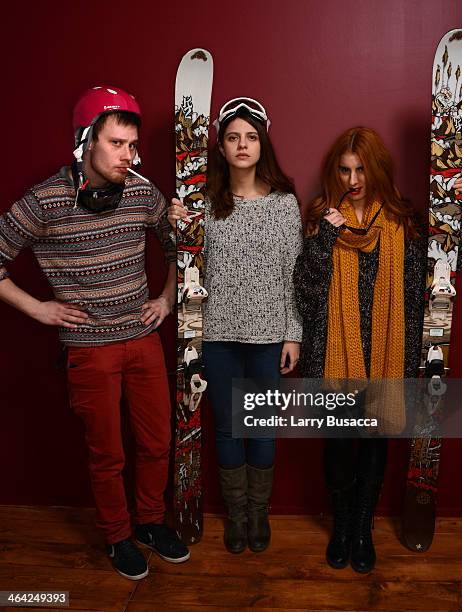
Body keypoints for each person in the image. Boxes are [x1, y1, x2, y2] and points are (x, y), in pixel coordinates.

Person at [0, 86, 190, 580]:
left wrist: (167, 299)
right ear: (85, 142)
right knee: (108, 454)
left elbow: (177, 248)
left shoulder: (144, 191)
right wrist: (38, 309)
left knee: (156, 443)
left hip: (143, 339)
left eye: (132, 145)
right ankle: (118, 536)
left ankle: (149, 521)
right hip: (89, 351)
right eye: (116, 144)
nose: (127, 155)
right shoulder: (44, 201)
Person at [293, 127, 462, 573]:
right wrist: (324, 240)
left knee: (373, 446)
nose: (353, 179)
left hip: (387, 351)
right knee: (337, 446)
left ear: (376, 170)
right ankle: (340, 525)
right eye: (345, 169)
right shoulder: (319, 217)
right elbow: (306, 293)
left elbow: (444, 267)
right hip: (334, 351)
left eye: (361, 169)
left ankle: (361, 527)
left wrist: (456, 205)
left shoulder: (403, 221)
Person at [169, 97, 303, 554]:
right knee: (227, 428)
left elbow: (294, 273)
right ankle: (237, 515)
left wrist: (293, 334)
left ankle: (258, 515)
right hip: (218, 333)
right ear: (221, 147)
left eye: (250, 137)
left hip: (268, 336)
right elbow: (186, 260)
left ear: (262, 143)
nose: (242, 145)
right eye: (232, 137)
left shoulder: (285, 203)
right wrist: (175, 224)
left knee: (262, 427)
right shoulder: (203, 202)